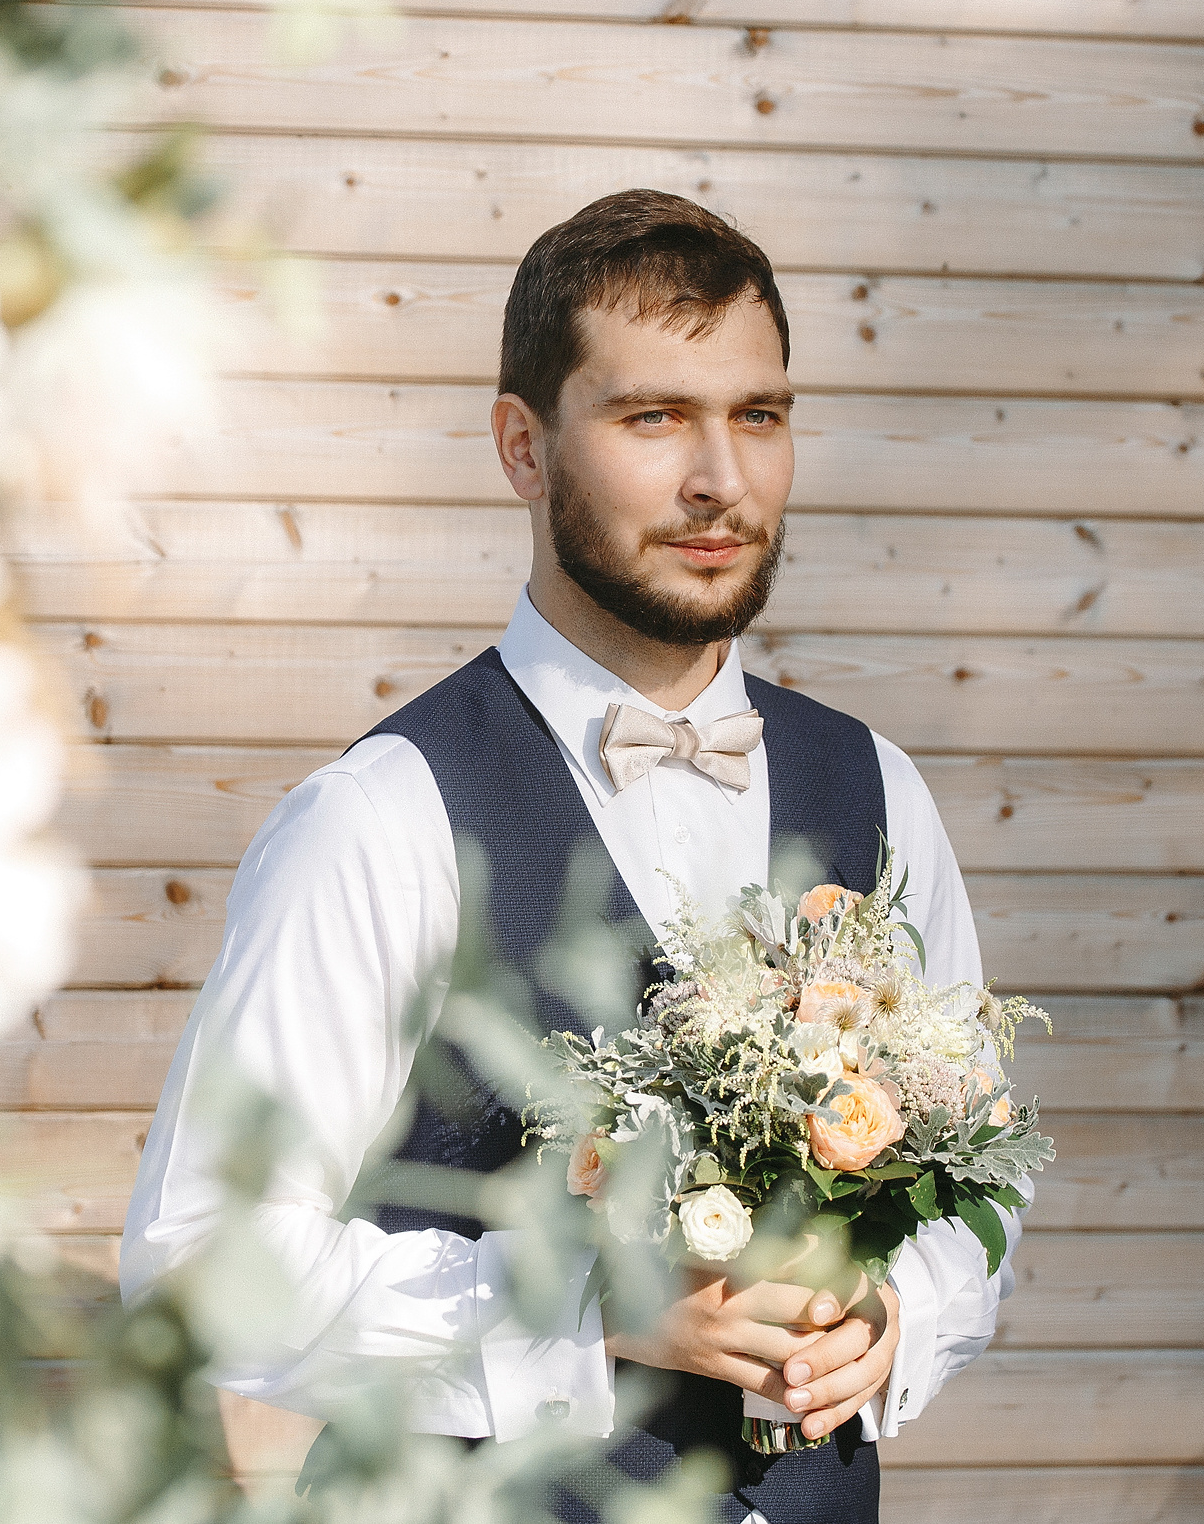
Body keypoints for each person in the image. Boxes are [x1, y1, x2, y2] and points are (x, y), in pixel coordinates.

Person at [119, 190, 1022, 1523]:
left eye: (758, 415)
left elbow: (977, 1193)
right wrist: (577, 1308)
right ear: (523, 447)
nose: (720, 476)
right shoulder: (382, 816)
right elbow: (200, 1261)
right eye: (654, 417)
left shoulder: (878, 791)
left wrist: (897, 1314)